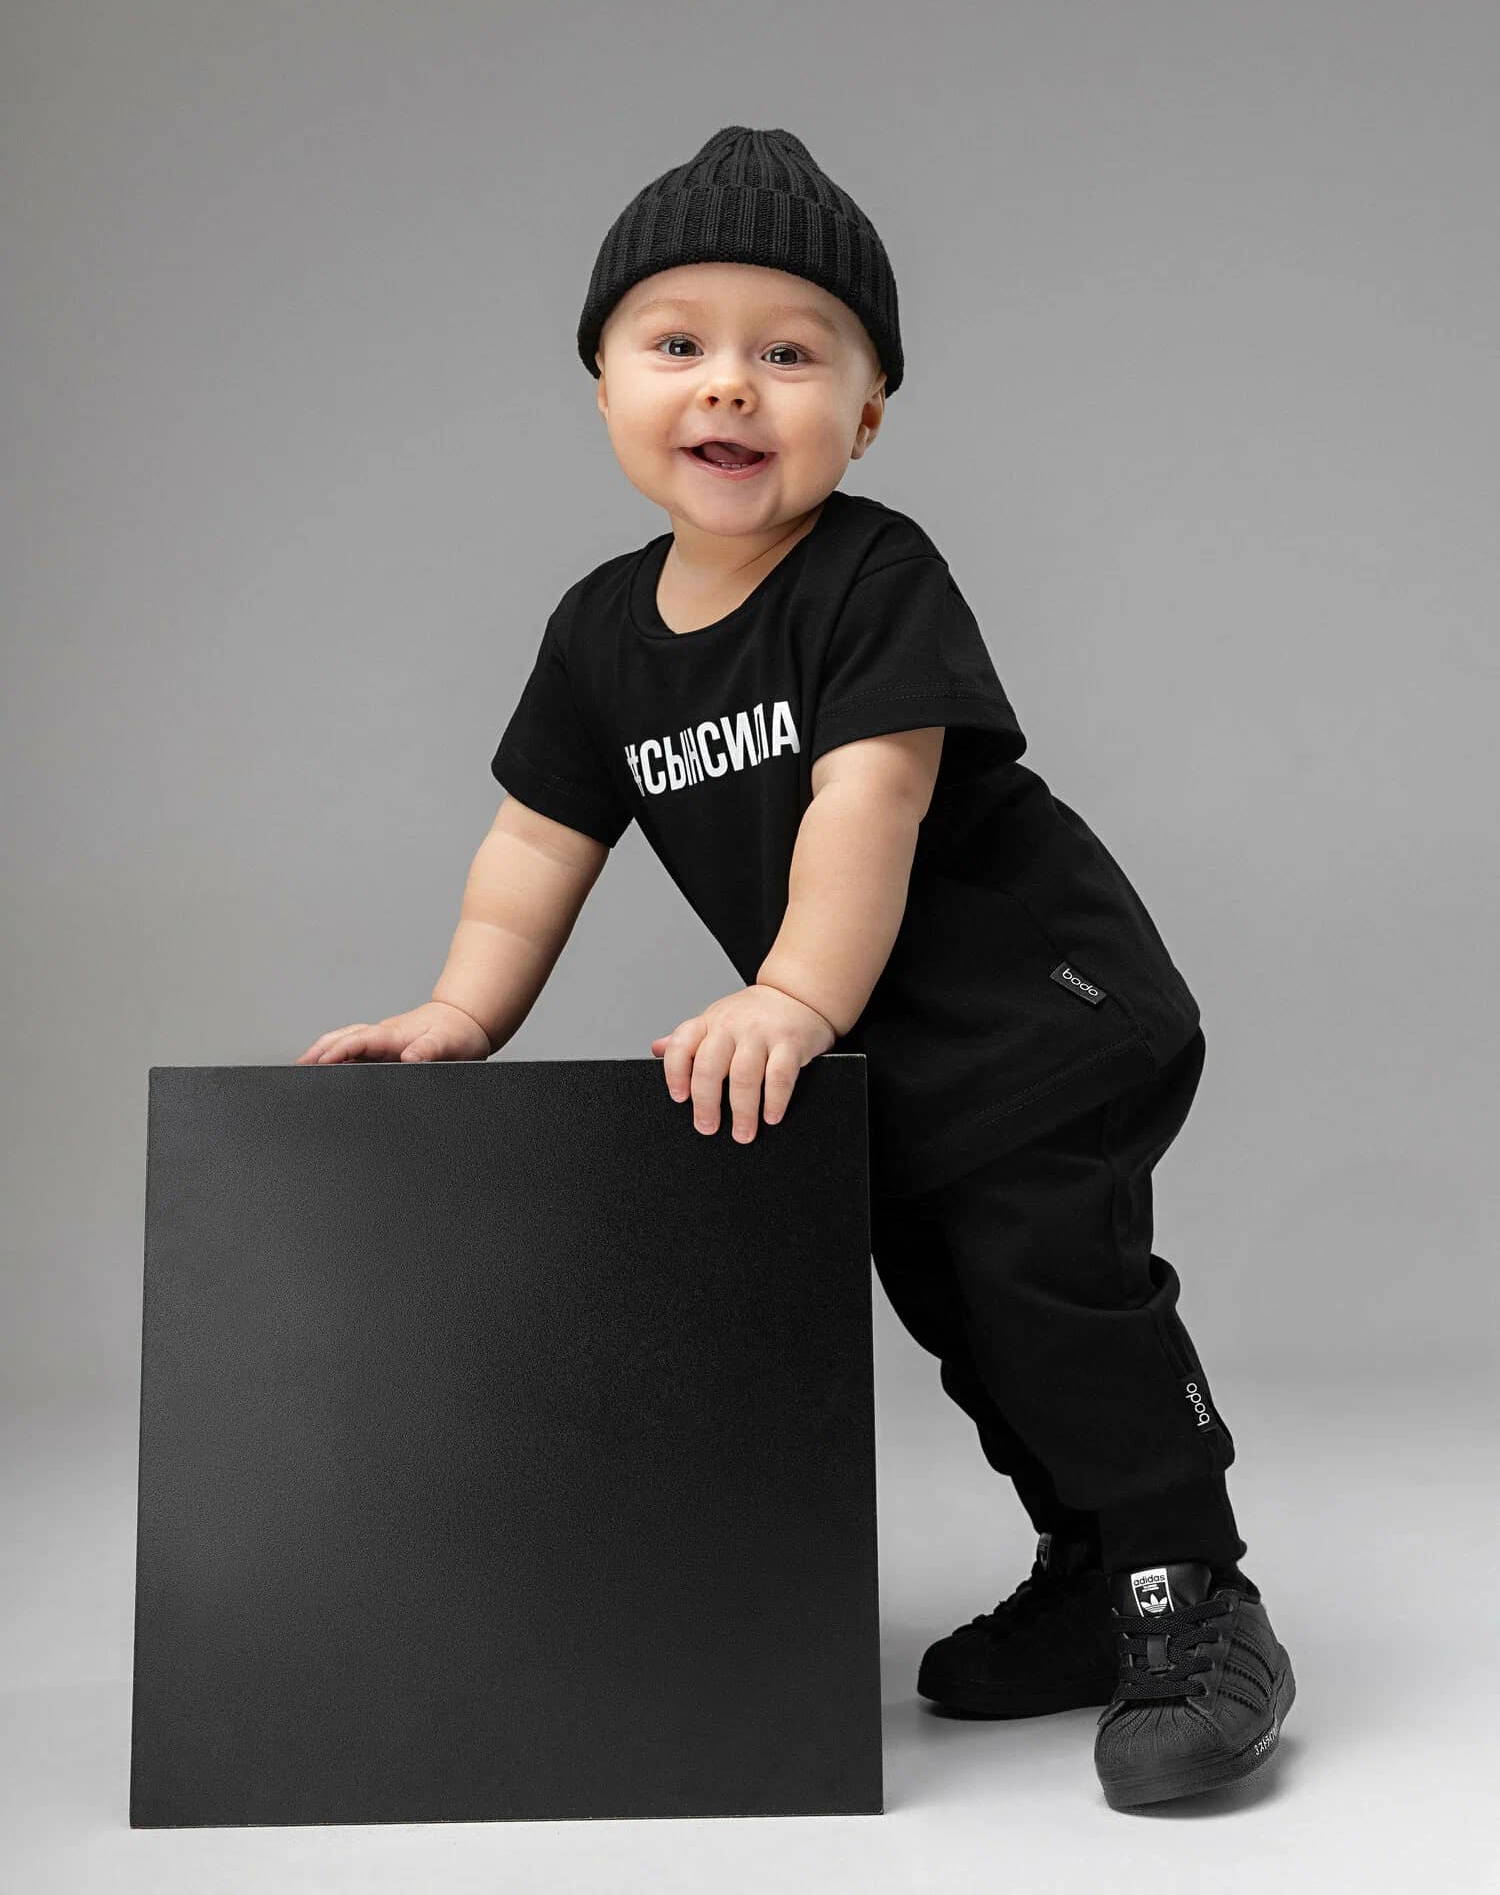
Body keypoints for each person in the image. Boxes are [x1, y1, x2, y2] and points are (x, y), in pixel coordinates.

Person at [295, 125, 1295, 1810]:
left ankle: (1193, 1597)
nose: (729, 386)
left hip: (1044, 1016)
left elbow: (866, 802)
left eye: (790, 353)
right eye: (678, 342)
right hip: (884, 1057)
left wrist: (792, 999)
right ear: (602, 383)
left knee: (1055, 1296)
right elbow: (536, 843)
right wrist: (464, 1010)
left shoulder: (870, 576)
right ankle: (1087, 1572)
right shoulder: (599, 636)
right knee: (961, 1317)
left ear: (869, 411)